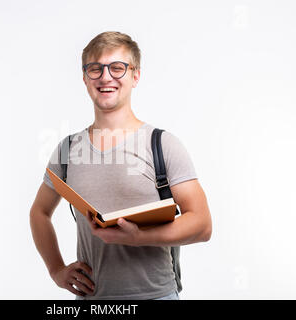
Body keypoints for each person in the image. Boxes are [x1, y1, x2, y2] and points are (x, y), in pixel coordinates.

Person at [30, 31, 212, 300]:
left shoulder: (162, 145)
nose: (105, 77)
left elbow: (202, 225)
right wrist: (56, 269)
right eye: (95, 69)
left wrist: (138, 237)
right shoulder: (68, 150)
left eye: (117, 68)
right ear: (84, 78)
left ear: (135, 76)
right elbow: (39, 213)